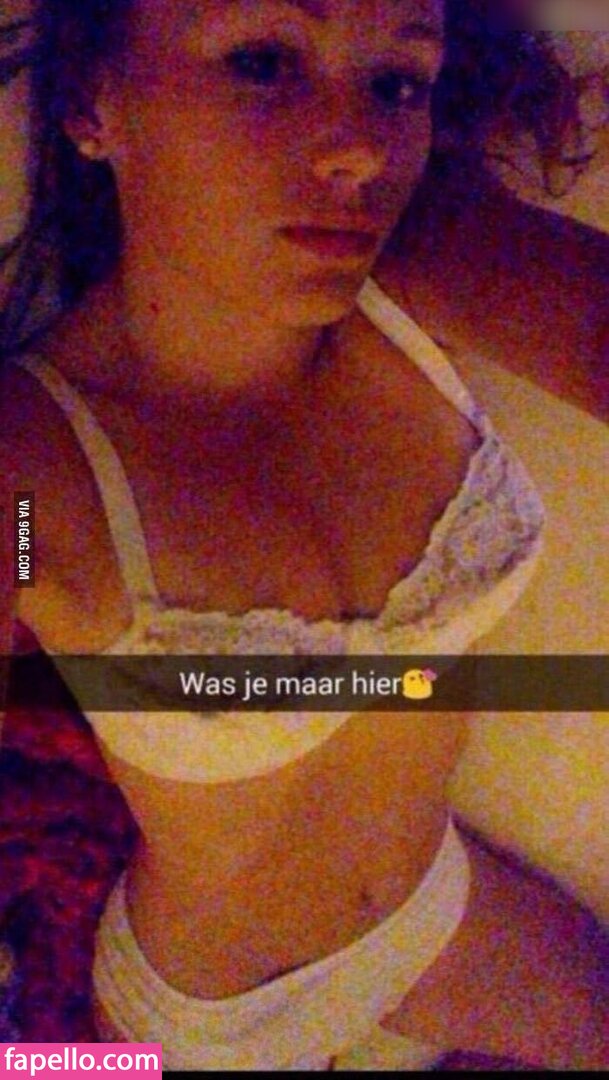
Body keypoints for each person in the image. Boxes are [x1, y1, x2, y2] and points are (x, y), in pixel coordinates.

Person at [0, 0, 607, 1069]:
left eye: (397, 82)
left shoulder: (418, 258)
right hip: (202, 1019)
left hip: (435, 913)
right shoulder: (30, 480)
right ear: (95, 99)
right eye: (264, 62)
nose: (360, 149)